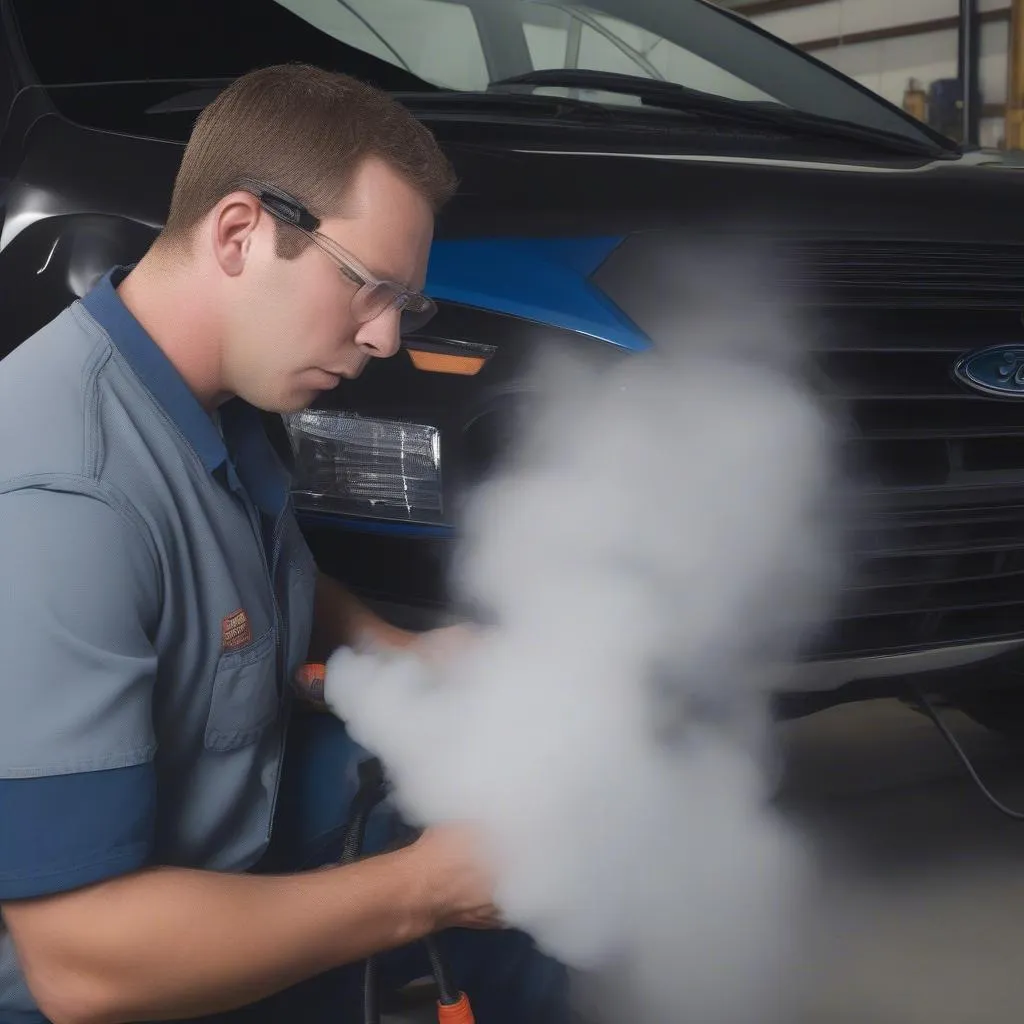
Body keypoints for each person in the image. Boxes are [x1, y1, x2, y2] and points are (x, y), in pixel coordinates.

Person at [0, 63, 569, 1024]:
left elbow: (245, 560)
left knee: (530, 874)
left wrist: (399, 650)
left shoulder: (206, 389)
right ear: (238, 234)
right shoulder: (63, 502)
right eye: (369, 288)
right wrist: (426, 888)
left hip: (238, 819)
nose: (388, 338)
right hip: (118, 968)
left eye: (407, 303)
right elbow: (82, 965)